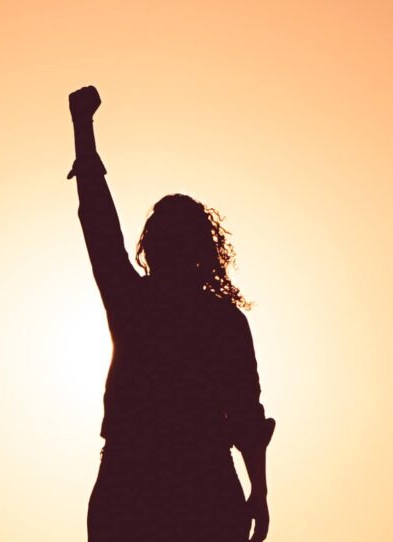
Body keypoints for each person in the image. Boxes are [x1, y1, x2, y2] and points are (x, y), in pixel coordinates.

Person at [67, 85, 275, 542]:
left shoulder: (138, 304)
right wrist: (258, 490)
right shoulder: (215, 320)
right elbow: (246, 417)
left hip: (156, 483)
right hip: (174, 482)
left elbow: (245, 414)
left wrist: (83, 130)